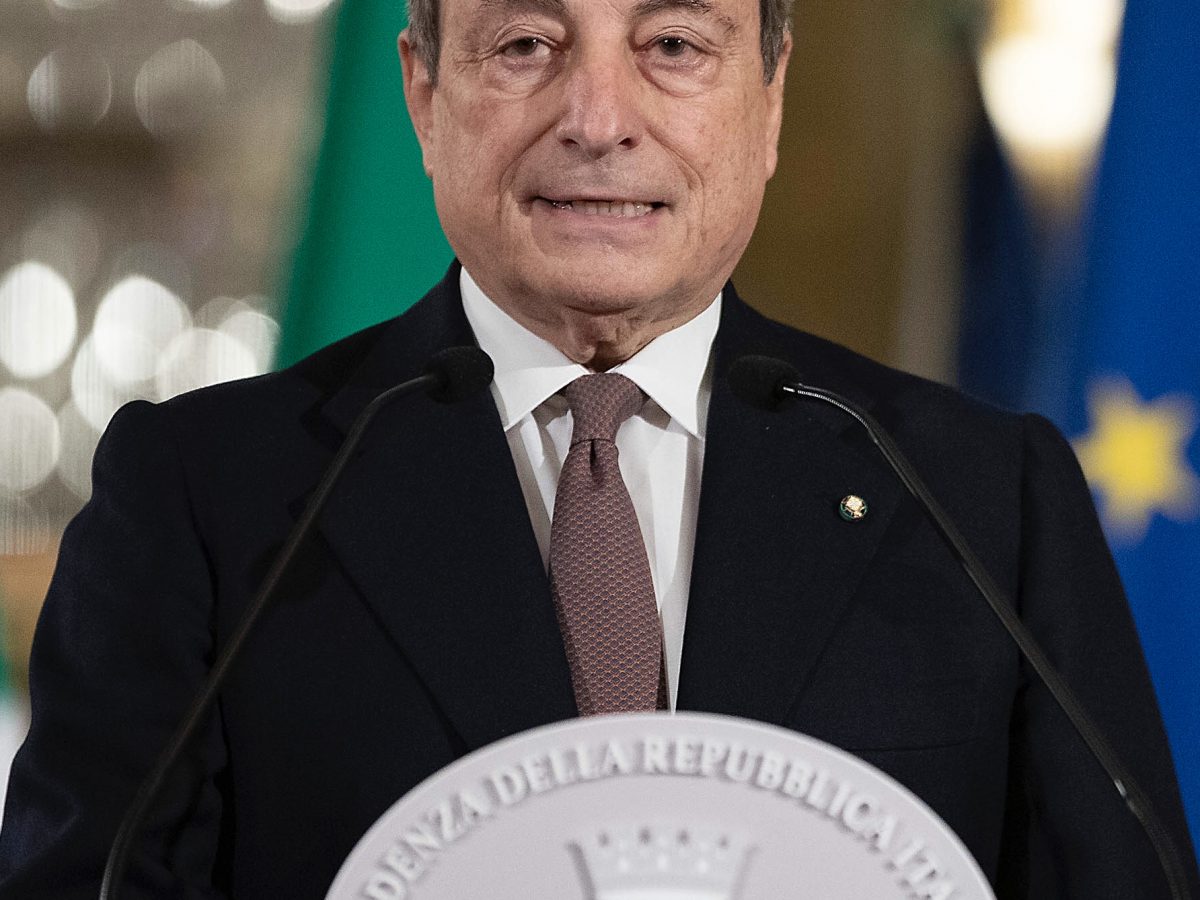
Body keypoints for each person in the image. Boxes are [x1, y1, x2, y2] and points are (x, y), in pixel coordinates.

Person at [0, 0, 1196, 896]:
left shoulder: (981, 495)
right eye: (526, 45)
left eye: (674, 45)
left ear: (771, 97)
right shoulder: (207, 496)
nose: (598, 120)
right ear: (423, 93)